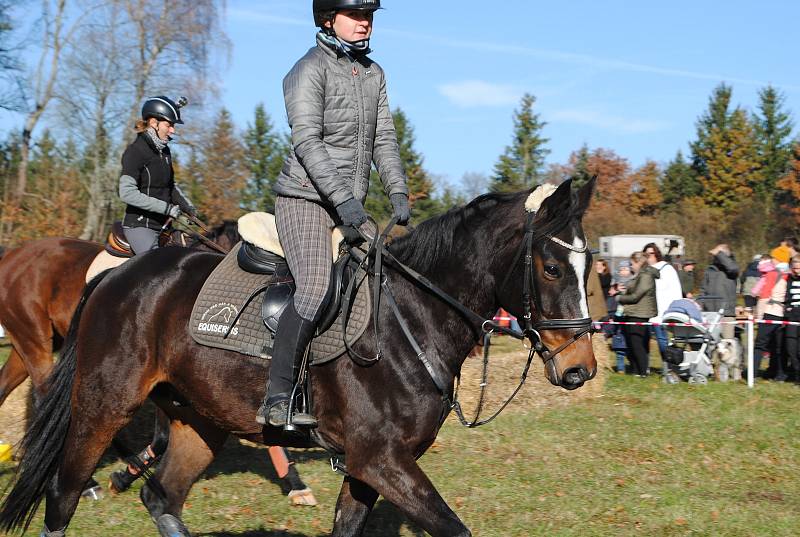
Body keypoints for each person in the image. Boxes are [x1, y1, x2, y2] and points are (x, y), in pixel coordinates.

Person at [256, 0, 409, 427]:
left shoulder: (373, 74)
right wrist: (343, 200)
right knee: (316, 288)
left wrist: (397, 189)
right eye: (355, 15)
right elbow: (308, 143)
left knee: (384, 279)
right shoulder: (307, 69)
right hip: (305, 198)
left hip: (350, 203)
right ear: (327, 19)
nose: (365, 22)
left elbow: (384, 140)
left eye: (369, 16)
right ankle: (279, 395)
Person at [118, 96, 197, 254]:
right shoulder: (135, 152)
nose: (172, 130)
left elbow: (170, 186)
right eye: (169, 125)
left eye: (173, 126)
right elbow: (127, 193)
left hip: (164, 226)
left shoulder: (165, 151)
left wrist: (187, 207)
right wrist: (166, 208)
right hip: (140, 227)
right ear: (154, 123)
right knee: (154, 264)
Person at [616, 252, 660, 376]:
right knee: (632, 343)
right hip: (633, 312)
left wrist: (619, 298)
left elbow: (636, 296)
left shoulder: (646, 276)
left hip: (640, 313)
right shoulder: (640, 274)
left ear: (639, 262)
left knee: (637, 344)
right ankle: (635, 370)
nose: (630, 266)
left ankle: (642, 372)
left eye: (632, 264)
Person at [750, 248, 789, 379]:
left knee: (760, 345)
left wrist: (759, 316)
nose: (771, 259)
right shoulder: (789, 274)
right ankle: (779, 374)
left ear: (778, 259)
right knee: (778, 346)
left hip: (770, 312)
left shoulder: (772, 274)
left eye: (773, 257)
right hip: (784, 314)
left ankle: (752, 373)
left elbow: (764, 296)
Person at [642, 243, 682, 367]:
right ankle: (644, 368)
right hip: (645, 313)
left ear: (656, 254)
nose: (648, 256)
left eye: (651, 253)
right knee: (643, 341)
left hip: (661, 312)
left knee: (662, 340)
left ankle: (667, 366)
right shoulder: (644, 270)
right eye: (646, 254)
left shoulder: (666, 269)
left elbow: (674, 291)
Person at [699, 244, 740, 340]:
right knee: (711, 343)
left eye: (719, 254)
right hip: (710, 313)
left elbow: (732, 268)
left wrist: (719, 253)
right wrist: (700, 305)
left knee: (727, 343)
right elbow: (703, 289)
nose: (716, 256)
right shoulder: (710, 269)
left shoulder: (732, 267)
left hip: (726, 313)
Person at [608, 260, 634, 373]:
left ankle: (633, 365)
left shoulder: (634, 281)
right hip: (618, 314)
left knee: (631, 341)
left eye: (626, 269)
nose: (623, 272)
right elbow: (611, 294)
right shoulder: (616, 282)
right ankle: (620, 367)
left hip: (630, 314)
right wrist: (615, 290)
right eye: (621, 269)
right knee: (619, 340)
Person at [782, 255, 800, 382]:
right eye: (794, 267)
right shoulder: (788, 279)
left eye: (798, 267)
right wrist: (787, 307)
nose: (796, 270)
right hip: (792, 316)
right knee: (791, 348)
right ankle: (797, 372)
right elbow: (787, 297)